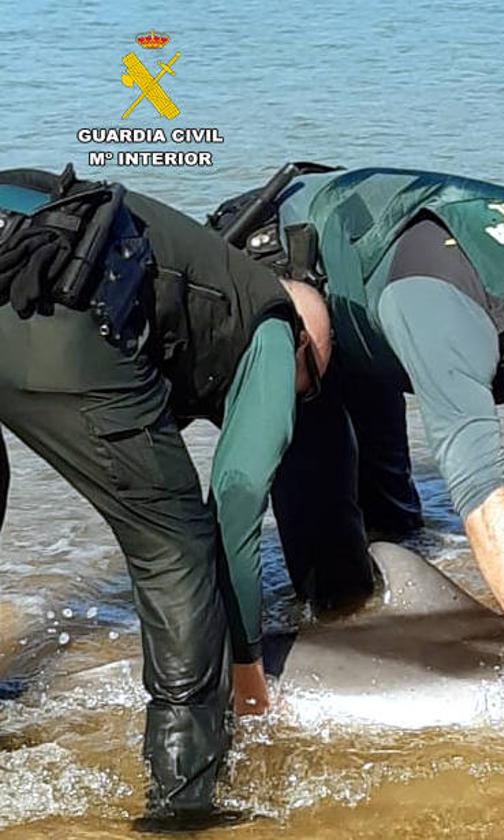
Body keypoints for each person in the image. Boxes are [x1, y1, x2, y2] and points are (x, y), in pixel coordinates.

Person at [210, 166, 504, 721]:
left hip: (375, 293)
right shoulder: (443, 306)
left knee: (395, 524)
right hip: (297, 281)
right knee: (333, 571)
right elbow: (477, 482)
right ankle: (272, 674)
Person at [0, 166, 331, 823]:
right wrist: (247, 673)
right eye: (309, 385)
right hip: (65, 305)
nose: (299, 404)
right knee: (175, 549)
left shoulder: (200, 272)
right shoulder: (270, 322)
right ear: (302, 344)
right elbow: (234, 502)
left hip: (18, 247)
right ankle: (184, 801)